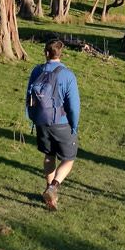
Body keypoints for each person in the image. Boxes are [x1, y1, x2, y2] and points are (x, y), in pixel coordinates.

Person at [26, 39, 81, 211]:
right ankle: (53, 187)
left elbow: (29, 98)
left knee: (49, 156)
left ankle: (49, 194)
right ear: (61, 53)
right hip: (62, 123)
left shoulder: (36, 71)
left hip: (41, 121)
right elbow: (73, 105)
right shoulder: (67, 74)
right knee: (69, 158)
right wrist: (74, 125)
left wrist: (33, 118)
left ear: (45, 52)